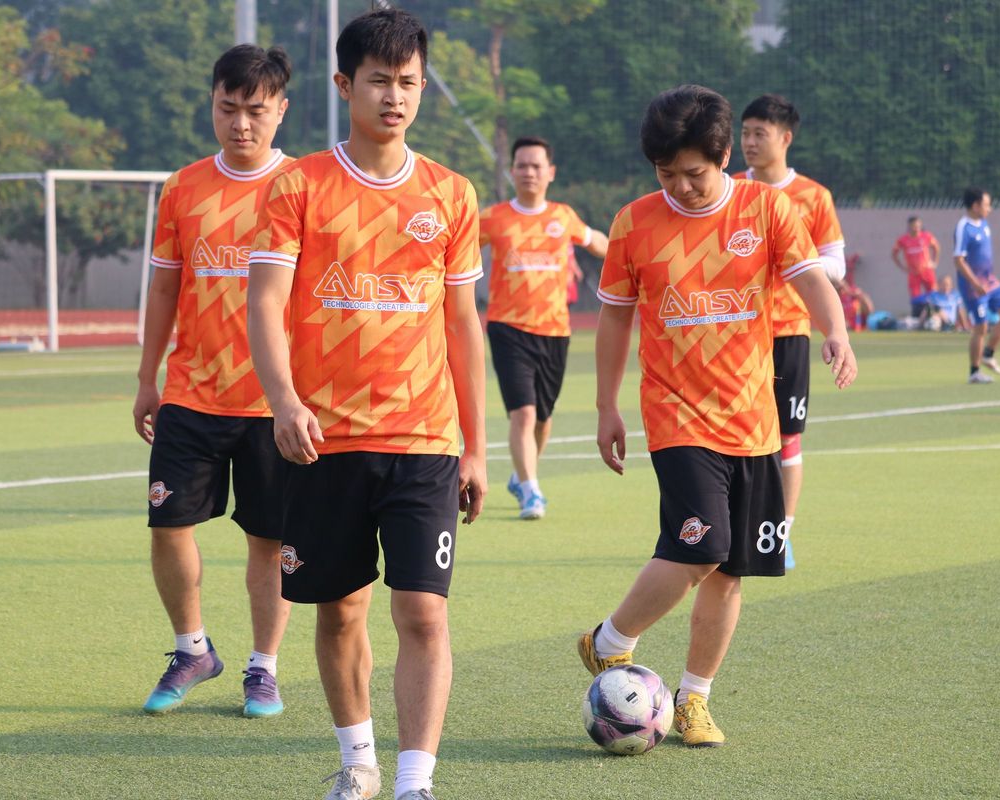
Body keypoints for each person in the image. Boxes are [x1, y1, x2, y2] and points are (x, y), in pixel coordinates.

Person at [246, 9, 486, 800]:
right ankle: (359, 763)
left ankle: (416, 781)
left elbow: (462, 327)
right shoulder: (298, 186)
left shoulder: (451, 193)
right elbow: (265, 300)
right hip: (325, 440)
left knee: (423, 612)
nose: (396, 97)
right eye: (380, 81)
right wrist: (283, 401)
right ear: (345, 85)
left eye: (409, 82)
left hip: (424, 440)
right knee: (341, 610)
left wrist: (477, 447)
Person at [582, 85, 856, 748]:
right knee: (700, 546)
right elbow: (614, 319)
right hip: (676, 414)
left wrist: (836, 331)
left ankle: (695, 698)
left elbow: (811, 277)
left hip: (752, 418)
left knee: (731, 569)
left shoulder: (768, 208)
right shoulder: (633, 223)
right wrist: (606, 406)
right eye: (666, 174)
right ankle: (611, 640)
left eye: (694, 173)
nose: (681, 187)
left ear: (725, 156)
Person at [132, 44, 294, 718]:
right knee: (168, 525)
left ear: (281, 110)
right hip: (191, 392)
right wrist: (148, 378)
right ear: (212, 105)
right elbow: (164, 288)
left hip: (273, 402)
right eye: (228, 108)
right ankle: (192, 648)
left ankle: (263, 668)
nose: (241, 123)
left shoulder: (302, 187)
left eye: (256, 110)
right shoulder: (183, 187)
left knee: (268, 542)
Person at [737, 93, 847, 570]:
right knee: (736, 434)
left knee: (786, 437)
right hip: (737, 334)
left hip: (788, 330)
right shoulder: (729, 190)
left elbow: (837, 264)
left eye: (759, 133)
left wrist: (796, 263)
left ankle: (780, 531)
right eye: (745, 133)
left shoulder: (813, 196)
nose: (749, 142)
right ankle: (736, 525)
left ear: (785, 138)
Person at [479, 136, 608, 520]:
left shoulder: (562, 217)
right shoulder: (494, 218)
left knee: (543, 418)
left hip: (555, 331)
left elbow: (596, 242)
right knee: (523, 413)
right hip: (507, 328)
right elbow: (454, 245)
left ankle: (522, 476)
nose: (529, 172)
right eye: (522, 165)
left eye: (536, 166)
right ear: (512, 171)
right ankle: (531, 492)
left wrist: (626, 249)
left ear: (550, 172)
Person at [954, 187, 1000, 384]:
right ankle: (974, 372)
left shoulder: (984, 224)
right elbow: (958, 260)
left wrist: (987, 279)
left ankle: (988, 354)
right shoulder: (964, 227)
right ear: (975, 205)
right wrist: (974, 283)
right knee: (981, 327)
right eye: (987, 205)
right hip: (973, 287)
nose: (989, 209)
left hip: (990, 281)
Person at [892, 216, 941, 317]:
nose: (917, 228)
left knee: (933, 295)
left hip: (927, 271)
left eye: (918, 226)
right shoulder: (903, 239)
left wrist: (934, 262)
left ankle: (935, 316)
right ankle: (917, 317)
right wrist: (902, 267)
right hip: (913, 273)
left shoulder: (926, 236)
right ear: (909, 226)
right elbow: (894, 253)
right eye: (914, 226)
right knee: (915, 298)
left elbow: (936, 247)